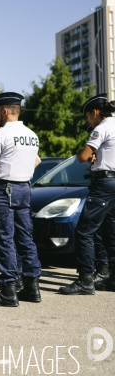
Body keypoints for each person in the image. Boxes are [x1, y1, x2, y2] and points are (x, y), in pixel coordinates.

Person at [0, 92, 42, 307]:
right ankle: (32, 287)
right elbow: (36, 161)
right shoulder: (32, 135)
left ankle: (8, 289)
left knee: (4, 238)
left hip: (4, 189)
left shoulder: (0, 135)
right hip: (24, 188)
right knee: (25, 238)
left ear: (4, 111)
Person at [60, 96, 115, 295]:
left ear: (95, 113)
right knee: (111, 230)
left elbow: (83, 156)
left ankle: (85, 280)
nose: (88, 122)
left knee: (85, 230)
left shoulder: (102, 128)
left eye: (88, 117)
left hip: (104, 183)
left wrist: (84, 155)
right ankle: (112, 279)